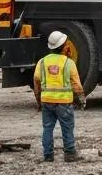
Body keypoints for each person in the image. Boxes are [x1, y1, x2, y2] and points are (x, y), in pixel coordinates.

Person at [33, 31, 86, 162]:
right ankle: (69, 154)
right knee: (67, 127)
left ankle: (48, 155)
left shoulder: (42, 62)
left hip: (47, 101)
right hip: (64, 102)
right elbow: (76, 85)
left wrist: (39, 100)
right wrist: (81, 99)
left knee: (47, 128)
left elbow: (36, 81)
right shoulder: (68, 63)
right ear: (63, 46)